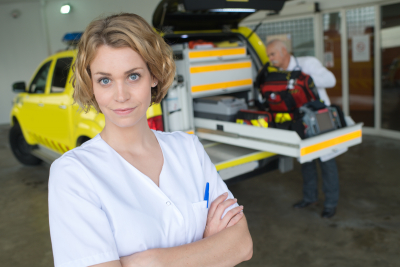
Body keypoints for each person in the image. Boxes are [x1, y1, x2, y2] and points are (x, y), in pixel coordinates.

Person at [48, 13, 253, 267]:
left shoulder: (188, 149)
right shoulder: (74, 174)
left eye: (133, 76)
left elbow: (242, 244)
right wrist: (207, 246)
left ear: (153, 76)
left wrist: (150, 261)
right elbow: (227, 249)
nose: (120, 95)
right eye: (105, 80)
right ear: (91, 85)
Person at [266, 39, 339, 218]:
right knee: (306, 159)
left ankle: (330, 204)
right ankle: (310, 197)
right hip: (300, 119)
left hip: (320, 116)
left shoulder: (308, 63)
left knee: (327, 161)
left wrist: (304, 79)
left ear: (284, 51)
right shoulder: (280, 72)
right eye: (269, 56)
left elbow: (331, 80)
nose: (270, 59)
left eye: (272, 54)